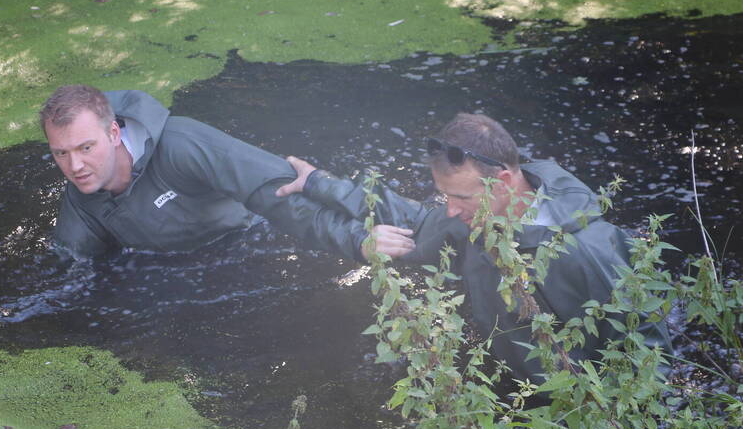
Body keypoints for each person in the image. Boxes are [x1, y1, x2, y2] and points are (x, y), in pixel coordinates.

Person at [275, 112, 671, 382]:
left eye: (460, 197)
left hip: (572, 411)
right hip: (508, 382)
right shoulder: (478, 211)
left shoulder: (589, 252)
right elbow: (417, 222)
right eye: (444, 194)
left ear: (502, 181)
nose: (449, 209)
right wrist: (318, 184)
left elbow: (650, 354)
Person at [39, 84, 416, 260]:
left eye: (85, 148)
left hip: (249, 244)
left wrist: (355, 238)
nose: (74, 167)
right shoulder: (80, 200)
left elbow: (276, 194)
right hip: (172, 272)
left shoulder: (181, 145)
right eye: (61, 153)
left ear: (113, 132)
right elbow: (72, 268)